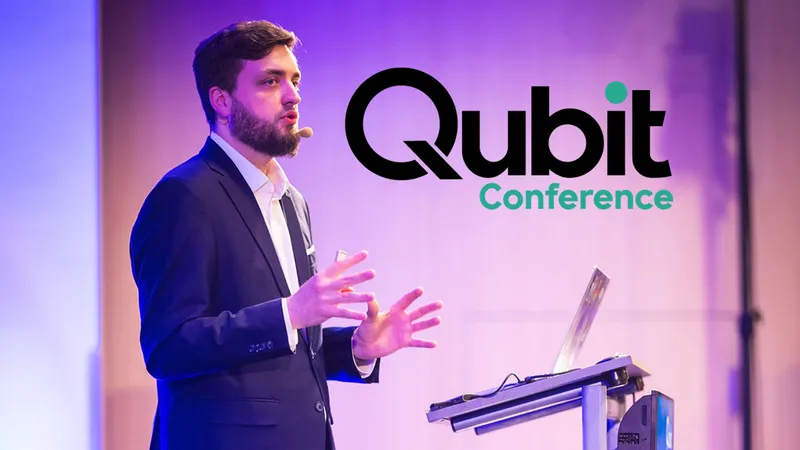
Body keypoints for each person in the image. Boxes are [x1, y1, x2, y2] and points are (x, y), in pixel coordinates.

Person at [129, 20, 444, 450]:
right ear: (222, 101)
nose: (293, 95)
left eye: (294, 80)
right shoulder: (184, 196)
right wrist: (291, 313)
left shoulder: (291, 200)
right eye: (269, 81)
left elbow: (288, 347)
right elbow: (168, 346)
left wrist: (358, 348)